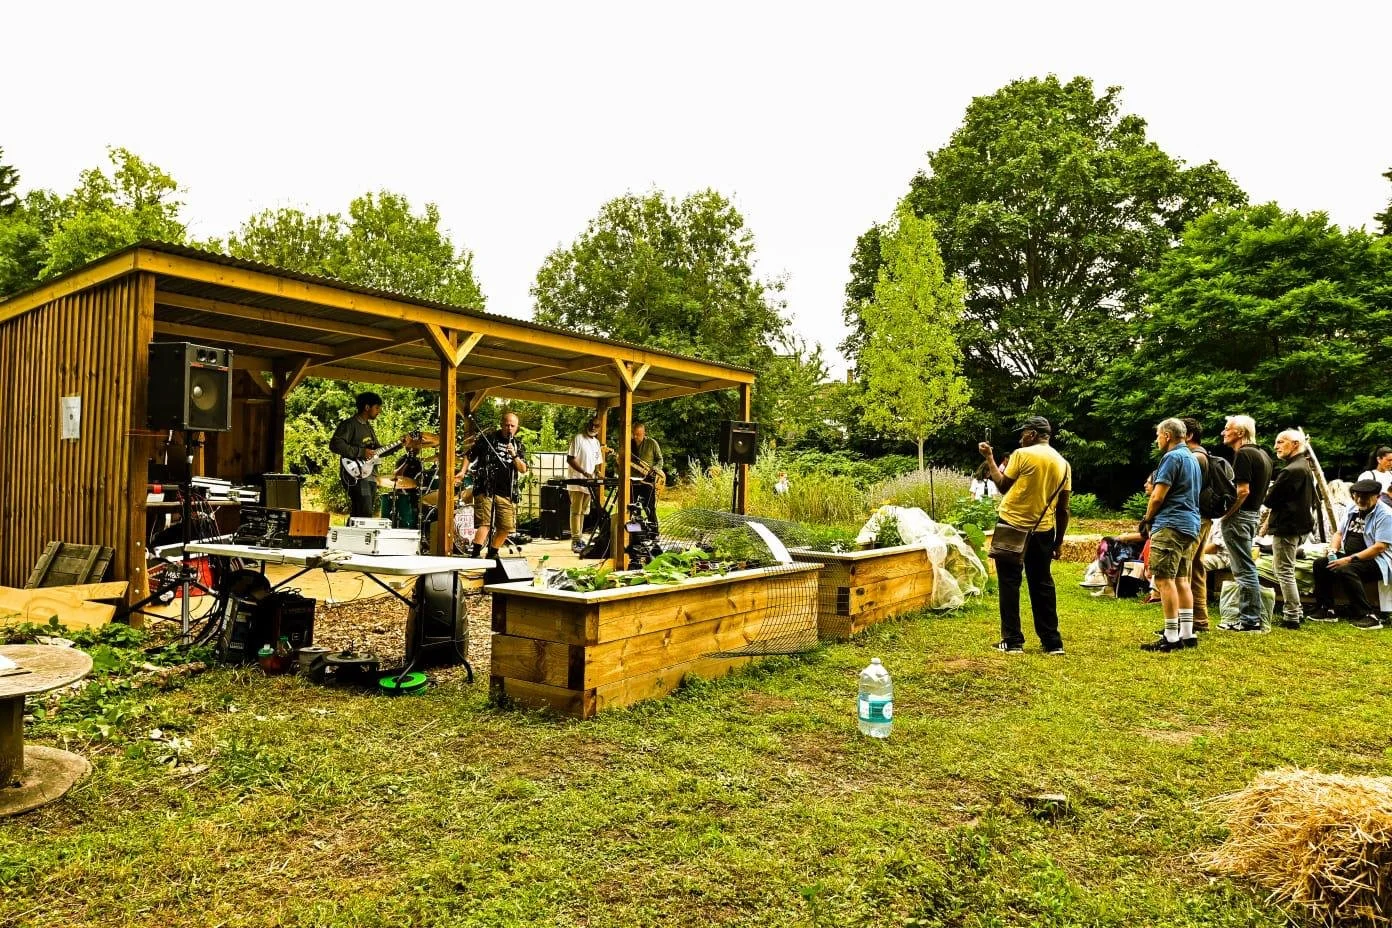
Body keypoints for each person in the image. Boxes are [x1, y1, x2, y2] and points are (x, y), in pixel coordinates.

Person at [978, 415, 1071, 655]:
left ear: (1032, 434)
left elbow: (1002, 485)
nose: (1020, 438)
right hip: (1043, 530)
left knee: (1009, 583)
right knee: (1042, 583)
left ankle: (1012, 641)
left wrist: (989, 457)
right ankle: (1052, 642)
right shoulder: (1063, 463)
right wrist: (1058, 542)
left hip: (1012, 525)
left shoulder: (1021, 455)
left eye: (1023, 433)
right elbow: (1063, 509)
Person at [1139, 418, 1204, 652]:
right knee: (1182, 579)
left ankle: (1171, 636)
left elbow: (1157, 496)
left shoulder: (1172, 457)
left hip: (1171, 523)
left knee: (1164, 579)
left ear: (1167, 435)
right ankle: (1188, 633)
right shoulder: (1193, 458)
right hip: (1190, 524)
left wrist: (1147, 518)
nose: (1157, 440)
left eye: (1158, 435)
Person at [1311, 478, 1392, 630]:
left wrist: (1349, 559)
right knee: (1321, 563)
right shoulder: (1352, 508)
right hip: (1352, 556)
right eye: (1357, 495)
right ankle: (1327, 609)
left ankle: (1368, 615)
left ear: (1377, 496)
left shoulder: (1386, 515)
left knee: (1346, 570)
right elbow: (1339, 533)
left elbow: (1379, 547)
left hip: (1378, 560)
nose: (1360, 500)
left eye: (1365, 497)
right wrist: (1333, 550)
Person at [1218, 415, 1272, 632]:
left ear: (1240, 433)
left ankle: (1250, 620)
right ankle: (1249, 617)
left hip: (1240, 517)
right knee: (1246, 566)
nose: (1223, 432)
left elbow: (1243, 491)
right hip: (1253, 516)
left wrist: (1226, 514)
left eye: (1227, 428)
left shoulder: (1244, 455)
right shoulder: (1263, 455)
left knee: (1243, 569)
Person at [1266, 429, 1317, 629]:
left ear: (1295, 444)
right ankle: (1296, 611)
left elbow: (1270, 499)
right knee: (1283, 569)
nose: (1276, 446)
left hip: (1288, 526)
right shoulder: (1304, 467)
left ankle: (1292, 615)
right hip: (1299, 525)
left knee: (1284, 571)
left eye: (1281, 442)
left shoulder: (1291, 470)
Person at [466, 410, 528, 559]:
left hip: (507, 491)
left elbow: (523, 469)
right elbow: (470, 454)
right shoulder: (488, 439)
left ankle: (492, 553)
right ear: (501, 425)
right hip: (486, 487)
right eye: (507, 425)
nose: (509, 428)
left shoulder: (518, 445)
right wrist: (462, 472)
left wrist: (514, 455)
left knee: (506, 526)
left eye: (513, 426)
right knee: (485, 523)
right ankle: (475, 555)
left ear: (517, 427)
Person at [1181, 418, 1214, 631]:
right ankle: (1199, 619)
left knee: (1183, 568)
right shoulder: (1204, 455)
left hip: (1195, 517)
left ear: (1189, 436)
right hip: (1204, 517)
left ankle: (1185, 623)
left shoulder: (1195, 457)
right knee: (1195, 568)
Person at [330, 391, 384, 518]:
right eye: (377, 407)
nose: (379, 411)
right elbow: (335, 445)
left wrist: (400, 444)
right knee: (364, 512)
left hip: (371, 475)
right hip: (355, 474)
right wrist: (360, 452)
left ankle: (351, 536)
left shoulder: (368, 427)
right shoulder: (349, 425)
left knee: (361, 513)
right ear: (367, 407)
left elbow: (377, 450)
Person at [566, 416, 605, 554]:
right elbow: (570, 459)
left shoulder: (596, 442)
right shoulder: (578, 438)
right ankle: (576, 539)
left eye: (596, 426)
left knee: (583, 511)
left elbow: (595, 463)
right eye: (591, 424)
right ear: (587, 424)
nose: (593, 427)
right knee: (576, 511)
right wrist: (583, 472)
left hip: (588, 482)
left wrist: (597, 473)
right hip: (577, 480)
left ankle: (580, 538)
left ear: (599, 428)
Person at [630, 422, 664, 531]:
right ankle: (635, 533)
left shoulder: (652, 443)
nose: (635, 437)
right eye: (634, 434)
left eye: (638, 434)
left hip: (648, 481)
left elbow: (660, 459)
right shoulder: (628, 444)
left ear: (644, 433)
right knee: (633, 508)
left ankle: (654, 533)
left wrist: (655, 469)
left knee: (649, 507)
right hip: (633, 481)